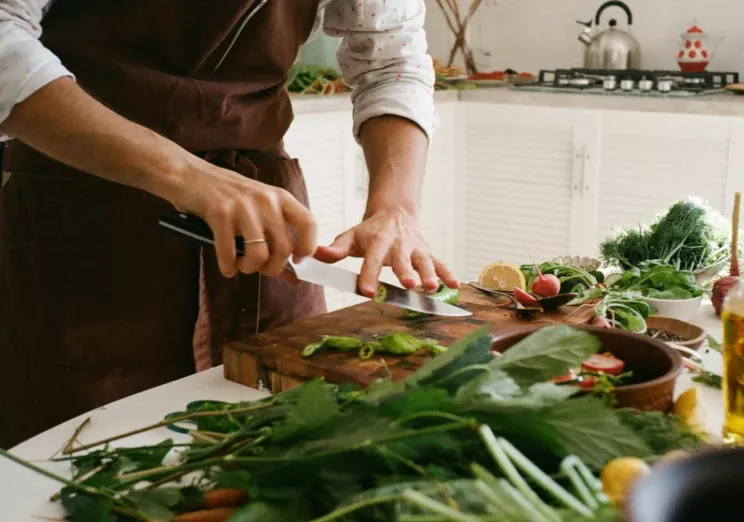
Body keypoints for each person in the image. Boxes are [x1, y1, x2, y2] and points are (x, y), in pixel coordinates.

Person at [0, 0, 458, 448]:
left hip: (266, 227)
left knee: (285, 440)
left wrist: (394, 207)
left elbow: (392, 59)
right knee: (76, 454)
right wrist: (182, 174)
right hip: (81, 219)